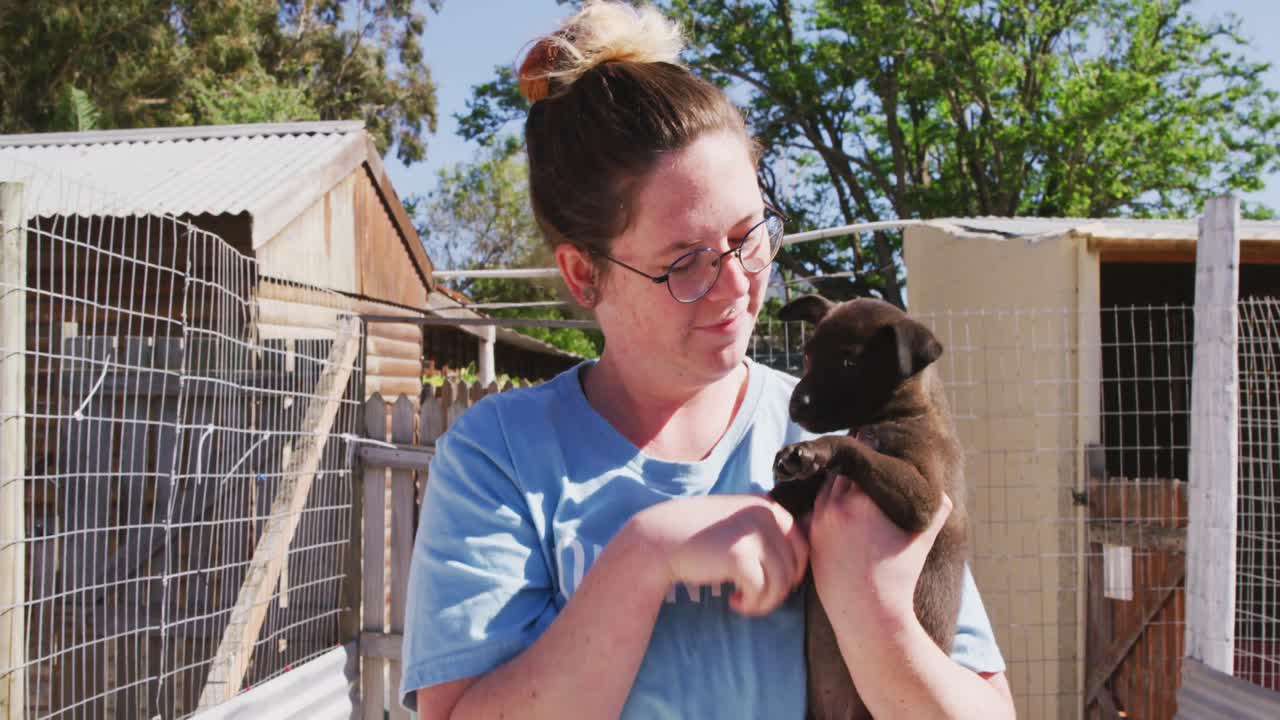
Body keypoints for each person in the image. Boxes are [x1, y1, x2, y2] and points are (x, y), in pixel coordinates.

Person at [399, 2, 1015, 718]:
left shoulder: (841, 437)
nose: (736, 284)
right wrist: (645, 556)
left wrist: (874, 615)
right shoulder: (500, 457)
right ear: (582, 275)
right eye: (685, 262)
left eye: (750, 234)